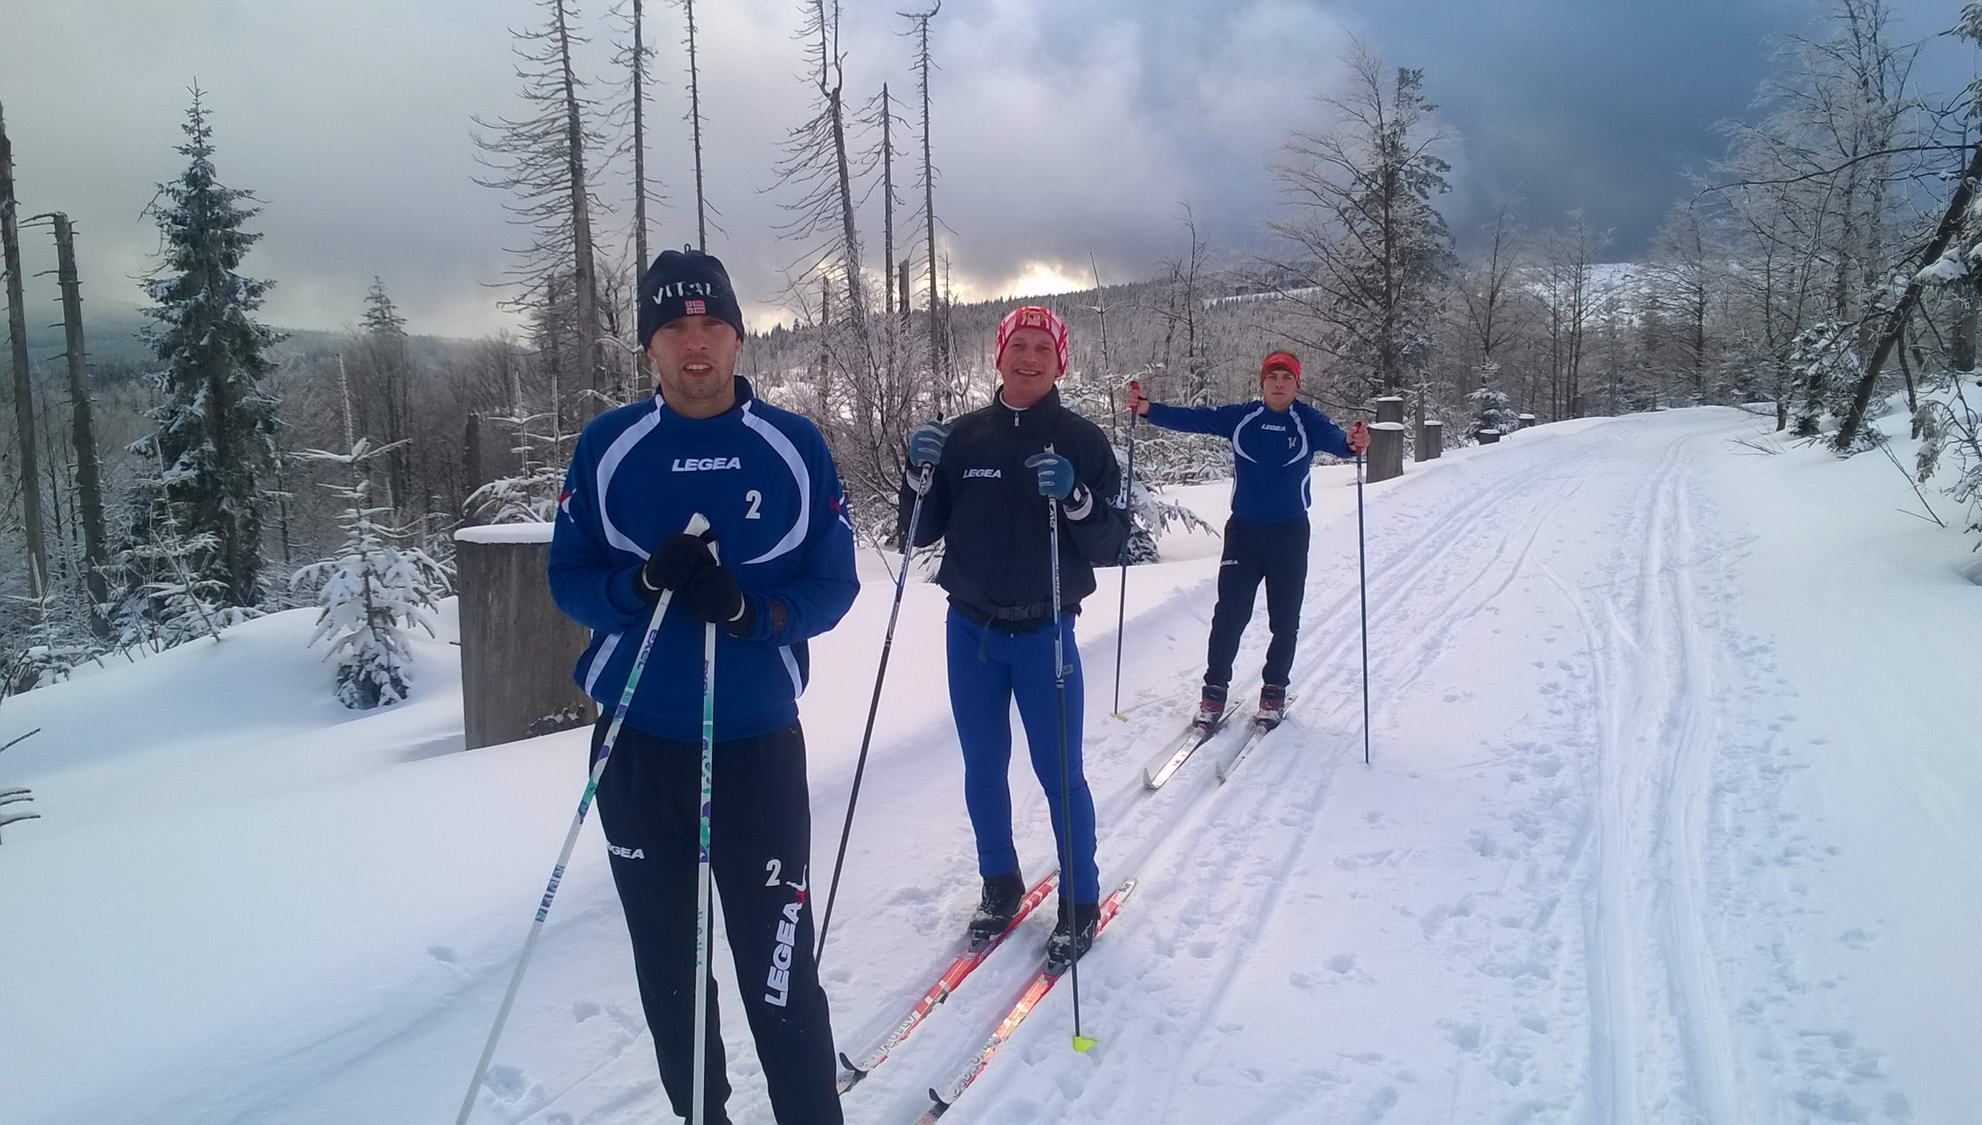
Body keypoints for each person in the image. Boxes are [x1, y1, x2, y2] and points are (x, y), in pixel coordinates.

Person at [548, 247, 857, 1125]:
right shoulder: (609, 445)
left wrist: (757, 614)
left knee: (777, 967)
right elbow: (568, 577)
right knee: (670, 969)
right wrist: (638, 585)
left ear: (738, 336)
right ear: (648, 343)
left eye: (712, 324)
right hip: (638, 746)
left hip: (755, 747)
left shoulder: (793, 445)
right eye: (675, 327)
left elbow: (834, 584)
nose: (696, 343)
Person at [898, 305, 1132, 967]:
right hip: (970, 631)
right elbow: (918, 530)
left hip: (1044, 633)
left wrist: (1078, 500)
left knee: (1059, 772)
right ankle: (999, 882)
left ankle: (1080, 900)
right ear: (998, 356)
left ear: (1060, 362)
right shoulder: (964, 437)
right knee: (982, 765)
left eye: (1042, 349)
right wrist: (915, 475)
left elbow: (1114, 542)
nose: (1029, 358)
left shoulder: (1081, 440)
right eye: (1018, 346)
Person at [1126, 349, 1371, 729]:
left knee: (1284, 619)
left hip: (1290, 534)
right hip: (1244, 533)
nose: (1279, 384)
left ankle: (1274, 691)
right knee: (1229, 615)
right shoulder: (1243, 417)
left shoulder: (1307, 420)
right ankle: (1214, 692)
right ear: (1262, 383)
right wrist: (1147, 409)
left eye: (1286, 378)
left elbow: (1339, 441)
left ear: (1297, 385)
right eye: (1272, 377)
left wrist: (1354, 441)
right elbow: (1195, 418)